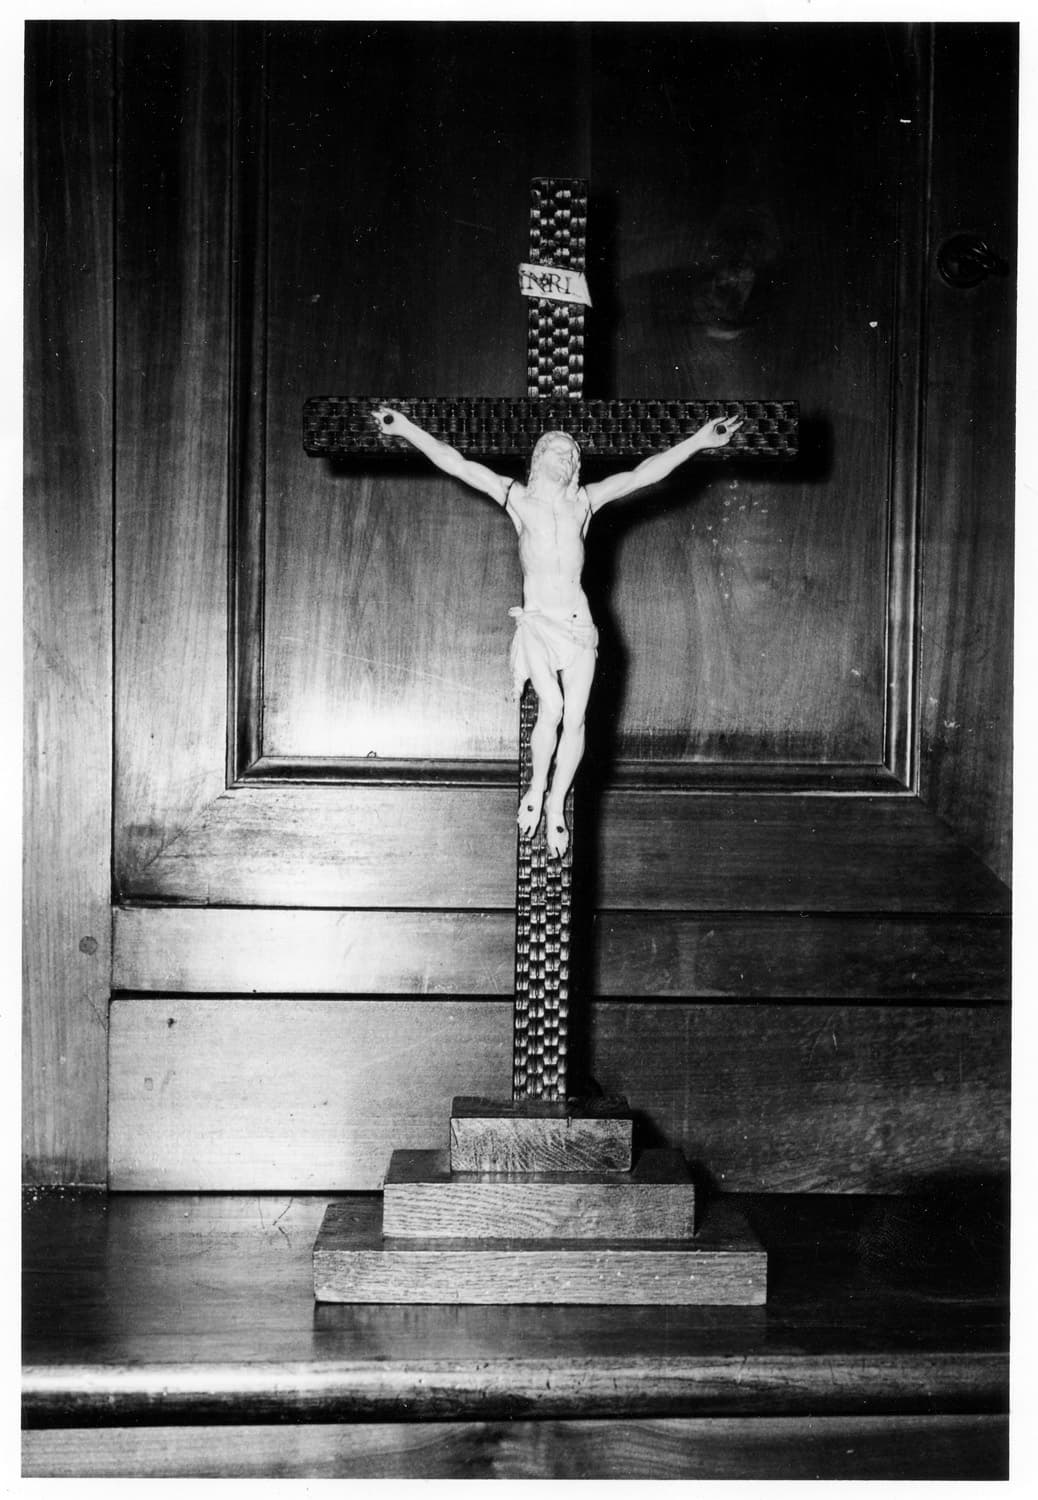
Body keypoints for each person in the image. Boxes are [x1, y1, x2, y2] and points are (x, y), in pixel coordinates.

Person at [371, 405, 742, 857]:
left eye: (572, 456)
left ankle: (555, 804)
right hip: (539, 624)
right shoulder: (516, 498)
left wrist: (699, 441)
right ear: (538, 457)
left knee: (576, 718)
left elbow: (644, 474)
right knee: (553, 706)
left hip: (578, 625)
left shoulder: (584, 502)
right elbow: (456, 462)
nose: (566, 460)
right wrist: (406, 428)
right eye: (558, 452)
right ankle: (536, 787)